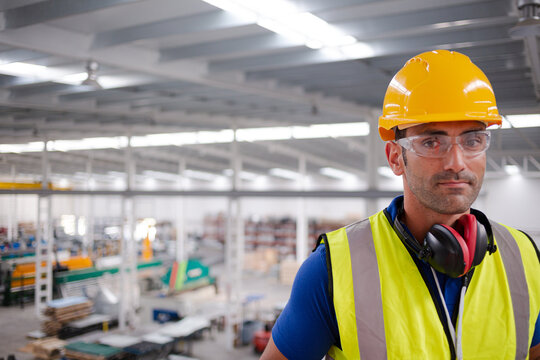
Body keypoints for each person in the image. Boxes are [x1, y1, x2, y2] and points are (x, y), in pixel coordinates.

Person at [260, 50, 540, 359]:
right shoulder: (333, 270)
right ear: (396, 158)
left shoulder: (524, 258)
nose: (456, 162)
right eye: (432, 142)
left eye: (472, 141)